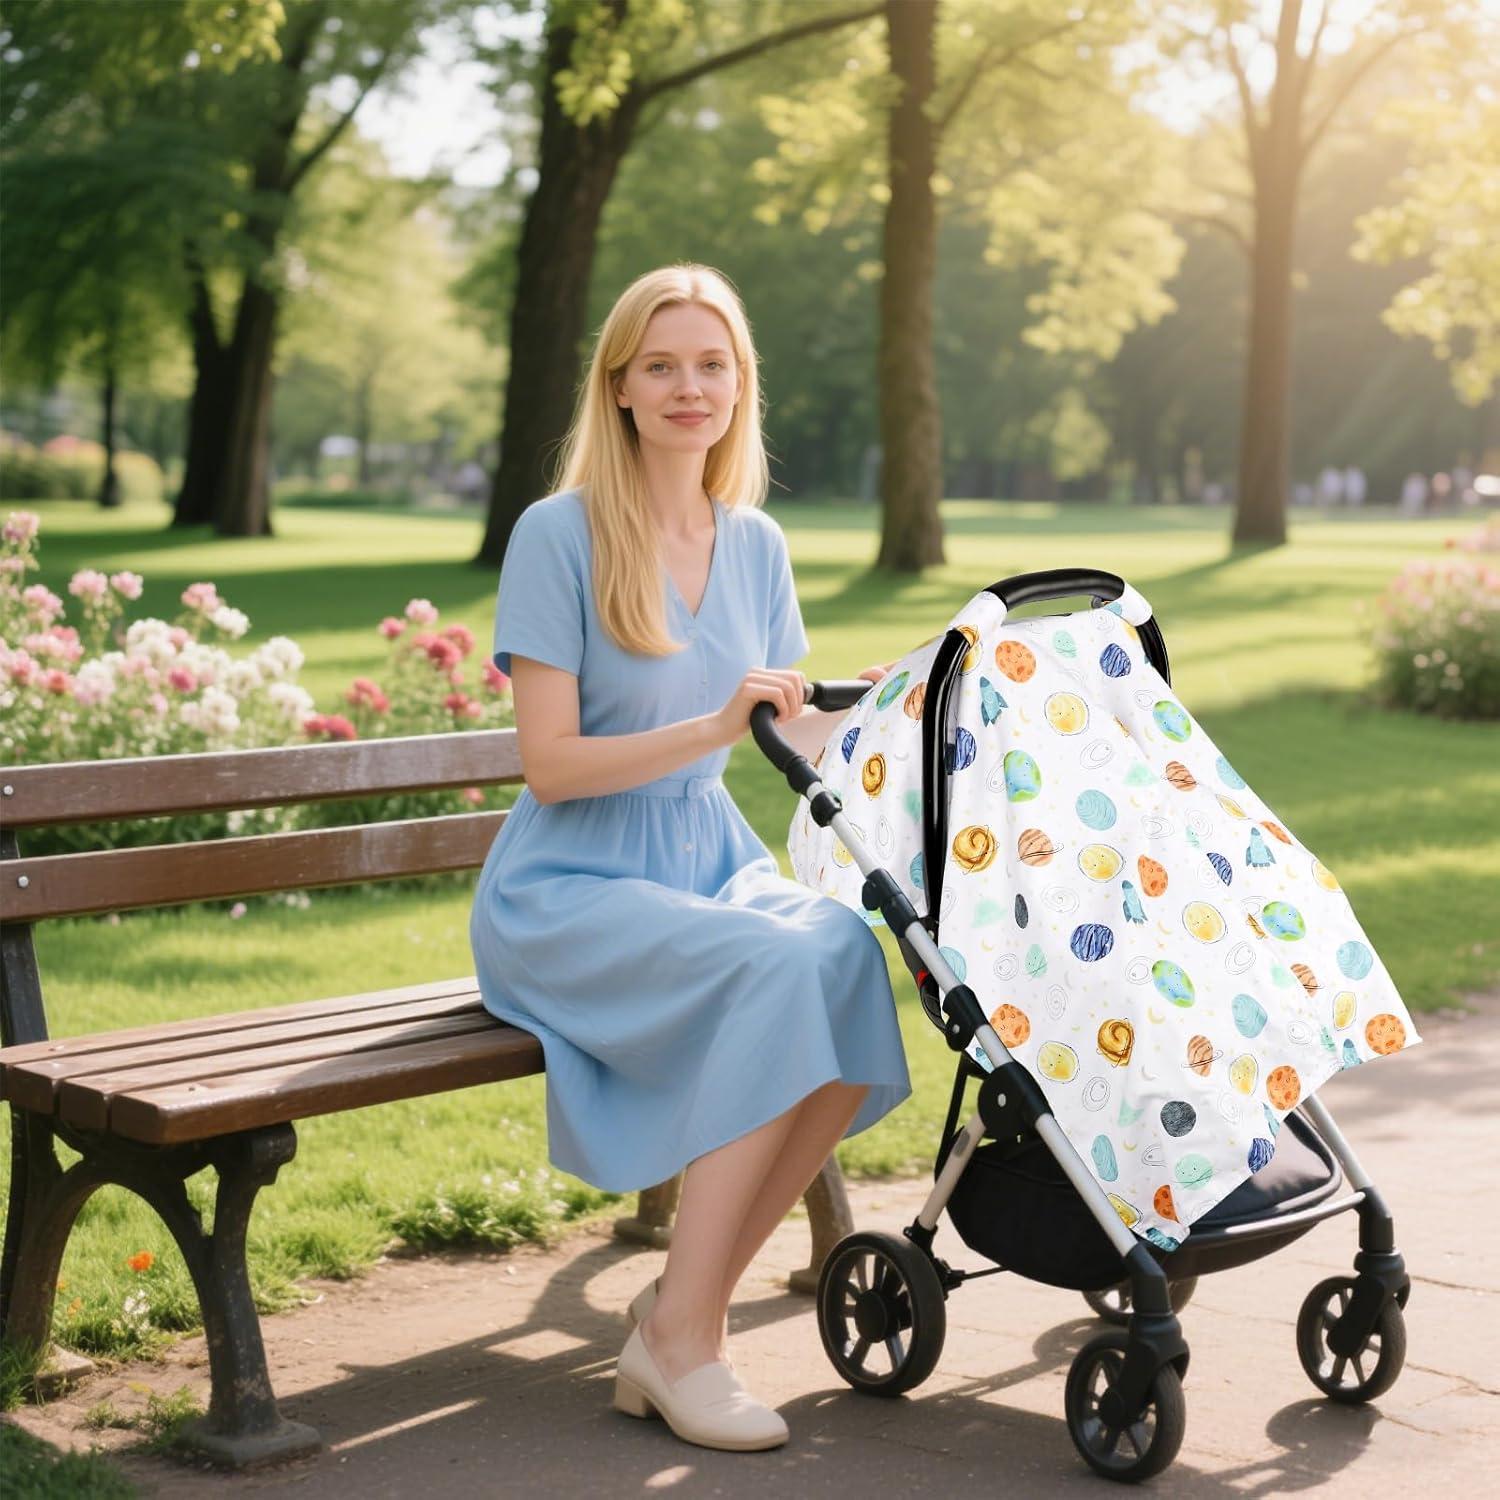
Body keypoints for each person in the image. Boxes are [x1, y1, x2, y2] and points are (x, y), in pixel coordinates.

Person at [468, 264, 912, 1453]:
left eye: (711, 365)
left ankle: (676, 1318)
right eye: (660, 365)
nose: (688, 386)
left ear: (739, 387)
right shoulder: (557, 535)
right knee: (774, 972)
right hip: (567, 886)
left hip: (704, 864)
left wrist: (903, 698)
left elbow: (789, 721)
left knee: (843, 949)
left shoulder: (753, 542)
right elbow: (551, 766)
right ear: (618, 386)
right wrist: (712, 727)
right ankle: (685, 1345)